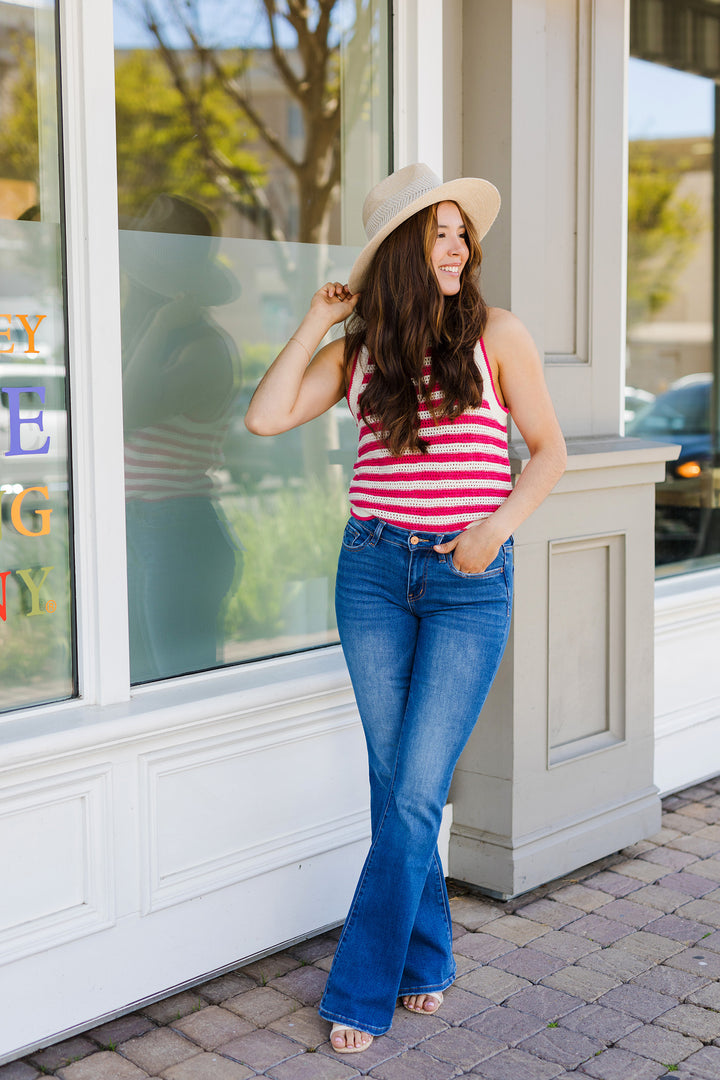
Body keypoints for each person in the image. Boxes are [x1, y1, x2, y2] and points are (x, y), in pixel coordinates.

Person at [244, 163, 567, 1053]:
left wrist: (494, 528)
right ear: (399, 253)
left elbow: (548, 452)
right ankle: (425, 959)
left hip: (468, 583)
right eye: (439, 233)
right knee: (398, 786)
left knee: (416, 789)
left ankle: (361, 985)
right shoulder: (359, 353)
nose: (459, 247)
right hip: (374, 574)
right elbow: (266, 417)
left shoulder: (500, 335)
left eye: (464, 233)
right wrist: (321, 316)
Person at [120, 195, 243, 682]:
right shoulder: (148, 343)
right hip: (140, 524)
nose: (129, 287)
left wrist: (156, 329)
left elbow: (125, 413)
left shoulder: (203, 350)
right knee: (136, 680)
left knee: (177, 687)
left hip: (176, 531)